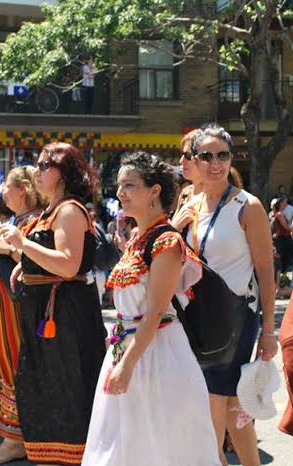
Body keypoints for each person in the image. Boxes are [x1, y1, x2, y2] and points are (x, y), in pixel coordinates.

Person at [82, 151, 221, 466]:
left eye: (129, 185)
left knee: (160, 445)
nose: (120, 193)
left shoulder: (166, 242)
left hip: (158, 355)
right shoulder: (138, 238)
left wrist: (127, 364)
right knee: (122, 444)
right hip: (128, 349)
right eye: (119, 186)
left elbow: (156, 311)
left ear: (154, 191)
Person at [0, 142, 106, 466]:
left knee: (67, 391)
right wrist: (23, 262)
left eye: (46, 165)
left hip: (65, 317)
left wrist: (22, 243)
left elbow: (68, 264)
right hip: (44, 314)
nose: (38, 170)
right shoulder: (51, 210)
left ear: (64, 173)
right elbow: (46, 260)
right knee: (41, 390)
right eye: (39, 164)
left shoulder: (69, 210)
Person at [187, 124, 278, 466]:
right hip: (199, 319)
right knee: (232, 404)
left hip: (236, 319)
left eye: (222, 155)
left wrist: (269, 331)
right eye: (206, 156)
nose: (215, 163)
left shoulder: (247, 206)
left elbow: (266, 272)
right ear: (195, 160)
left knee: (213, 400)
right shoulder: (191, 206)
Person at [0, 167, 46, 464]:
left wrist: (8, 248)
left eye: (7, 185)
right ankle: (10, 432)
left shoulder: (35, 222)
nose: (3, 191)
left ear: (23, 189)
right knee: (2, 364)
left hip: (14, 307)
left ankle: (16, 437)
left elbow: (36, 263)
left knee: (14, 365)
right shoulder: (17, 221)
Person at [271, 198, 293, 272]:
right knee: (285, 254)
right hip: (283, 237)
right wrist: (292, 229)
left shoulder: (279, 213)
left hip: (283, 236)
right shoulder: (279, 214)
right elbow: (285, 226)